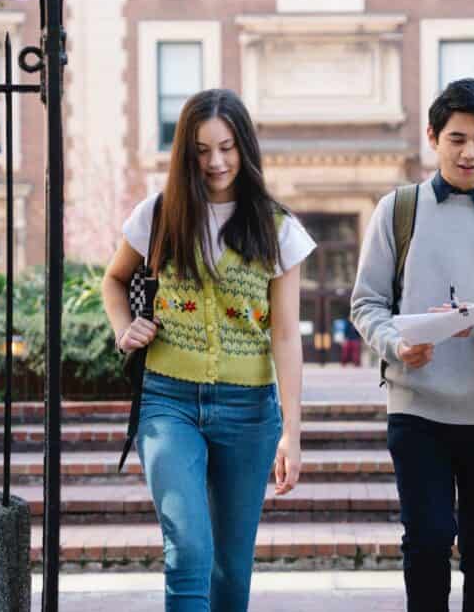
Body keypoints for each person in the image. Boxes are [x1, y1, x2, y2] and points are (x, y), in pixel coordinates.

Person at [101, 88, 316, 611]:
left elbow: (286, 335)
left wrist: (293, 430)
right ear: (185, 152)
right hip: (168, 403)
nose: (216, 161)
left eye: (227, 147)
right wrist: (123, 328)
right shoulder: (158, 215)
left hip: (249, 412)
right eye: (201, 149)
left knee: (231, 566)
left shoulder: (278, 228)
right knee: (189, 550)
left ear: (245, 147)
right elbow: (114, 279)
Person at [350, 78, 474, 612]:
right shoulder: (397, 210)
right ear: (433, 137)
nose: (469, 151)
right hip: (417, 407)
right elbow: (366, 303)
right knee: (429, 539)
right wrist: (396, 344)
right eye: (457, 138)